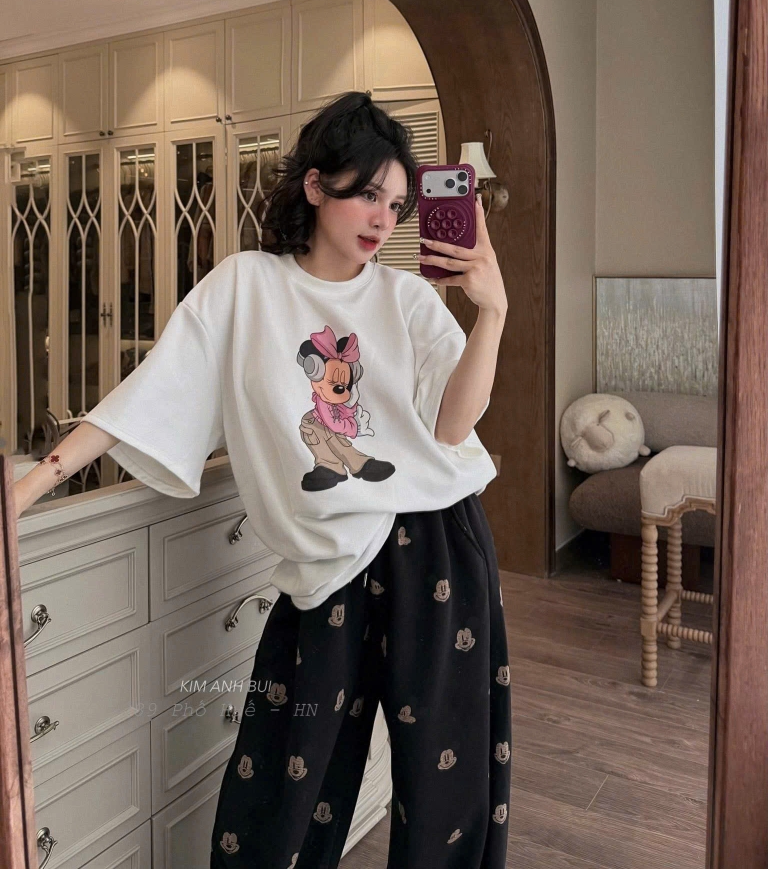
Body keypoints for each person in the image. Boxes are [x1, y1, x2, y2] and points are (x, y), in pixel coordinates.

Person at [13, 91, 511, 868]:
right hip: (323, 562)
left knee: (444, 785)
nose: (383, 219)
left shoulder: (408, 297)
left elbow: (451, 430)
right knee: (282, 775)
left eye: (396, 204)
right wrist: (29, 486)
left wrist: (493, 314)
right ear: (316, 184)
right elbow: (148, 392)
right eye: (367, 195)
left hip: (434, 541)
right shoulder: (244, 286)